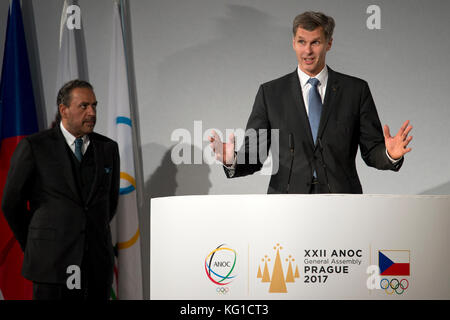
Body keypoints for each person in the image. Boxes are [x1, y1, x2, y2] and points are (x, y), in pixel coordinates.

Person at [209, 11, 412, 194]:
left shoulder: (356, 91)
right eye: (301, 42)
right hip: (287, 203)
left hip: (342, 201)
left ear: (329, 43)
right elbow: (254, 155)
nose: (307, 51)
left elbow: (371, 151)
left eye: (315, 42)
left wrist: (390, 154)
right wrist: (232, 159)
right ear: (293, 43)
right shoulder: (270, 93)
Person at [1, 80, 120, 300]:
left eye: (94, 105)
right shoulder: (34, 147)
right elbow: (11, 204)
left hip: (96, 266)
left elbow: (109, 203)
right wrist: (37, 243)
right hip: (52, 265)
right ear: (63, 109)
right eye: (84, 106)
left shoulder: (108, 148)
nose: (92, 112)